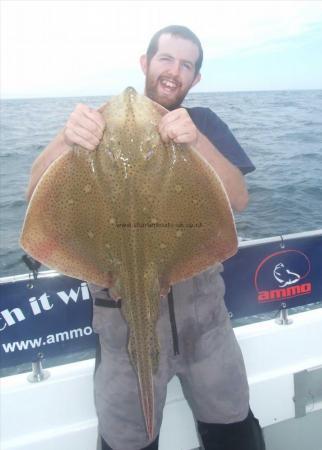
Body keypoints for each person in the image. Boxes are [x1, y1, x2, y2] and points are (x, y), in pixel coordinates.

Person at [26, 25, 265, 450]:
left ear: (195, 78)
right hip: (118, 325)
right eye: (166, 59)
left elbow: (240, 199)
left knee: (233, 428)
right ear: (146, 63)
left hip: (204, 322)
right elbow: (34, 194)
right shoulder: (96, 125)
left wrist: (198, 143)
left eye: (186, 65)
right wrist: (67, 138)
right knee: (127, 439)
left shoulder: (204, 123)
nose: (174, 71)